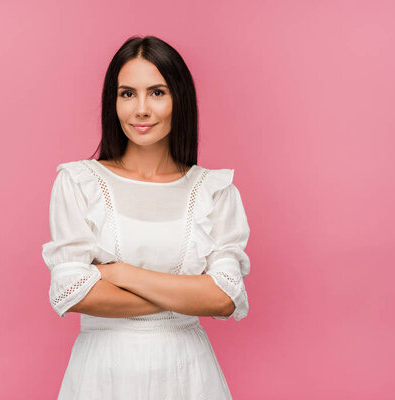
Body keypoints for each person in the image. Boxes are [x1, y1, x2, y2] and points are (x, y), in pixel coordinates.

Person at [42, 35, 251, 400]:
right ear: (113, 102)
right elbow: (71, 291)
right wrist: (190, 292)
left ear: (179, 100)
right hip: (104, 372)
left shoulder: (215, 191)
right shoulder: (79, 182)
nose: (141, 109)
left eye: (157, 92)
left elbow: (224, 298)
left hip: (188, 373)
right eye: (127, 94)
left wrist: (121, 274)